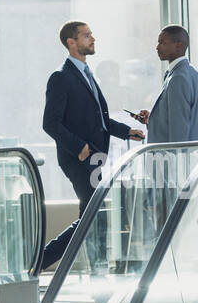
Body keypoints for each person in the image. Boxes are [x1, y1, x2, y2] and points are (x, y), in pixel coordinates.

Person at [41, 21, 144, 270]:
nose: (93, 39)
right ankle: (45, 262)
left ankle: (43, 263)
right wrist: (80, 148)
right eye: (86, 35)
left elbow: (97, 118)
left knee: (91, 215)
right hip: (78, 158)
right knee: (93, 215)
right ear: (71, 42)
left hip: (95, 157)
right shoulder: (61, 77)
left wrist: (126, 131)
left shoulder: (86, 75)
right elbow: (50, 123)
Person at [134, 26, 198, 143]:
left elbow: (179, 131)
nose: (157, 47)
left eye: (162, 43)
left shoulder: (178, 78)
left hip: (177, 157)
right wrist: (152, 119)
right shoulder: (192, 73)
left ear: (178, 45)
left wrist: (177, 159)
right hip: (193, 153)